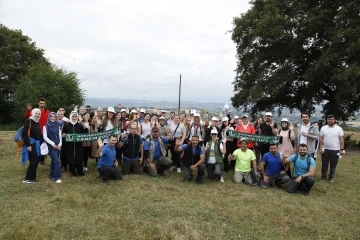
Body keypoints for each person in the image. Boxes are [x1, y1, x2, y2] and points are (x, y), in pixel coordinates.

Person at [318, 115, 344, 182]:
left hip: (335, 149)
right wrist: (320, 148)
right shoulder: (323, 128)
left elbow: (341, 139)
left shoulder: (339, 129)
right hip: (325, 149)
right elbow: (321, 139)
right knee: (324, 164)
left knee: (333, 164)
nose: (330, 120)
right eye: (328, 119)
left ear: (335, 120)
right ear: (327, 120)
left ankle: (331, 177)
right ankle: (323, 177)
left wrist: (341, 149)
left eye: (332, 119)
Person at [62, 111, 87, 177]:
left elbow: (83, 135)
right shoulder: (66, 125)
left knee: (79, 158)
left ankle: (80, 172)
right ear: (70, 117)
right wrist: (64, 135)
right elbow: (63, 134)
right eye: (73, 116)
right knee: (71, 159)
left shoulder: (79, 125)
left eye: (75, 116)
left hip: (78, 145)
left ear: (77, 117)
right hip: (69, 146)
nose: (74, 118)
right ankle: (73, 173)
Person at [22, 108, 42, 183]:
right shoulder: (28, 121)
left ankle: (32, 178)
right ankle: (28, 178)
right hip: (31, 143)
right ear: (32, 113)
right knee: (33, 161)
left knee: (36, 160)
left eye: (39, 114)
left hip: (36, 144)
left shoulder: (37, 122)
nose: (37, 115)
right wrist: (28, 145)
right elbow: (24, 133)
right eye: (36, 113)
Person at [43, 112, 62, 183]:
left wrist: (60, 144)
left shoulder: (58, 125)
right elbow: (45, 137)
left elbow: (59, 136)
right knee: (57, 161)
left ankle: (51, 175)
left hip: (57, 146)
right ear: (49, 117)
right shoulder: (45, 126)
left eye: (54, 116)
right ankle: (57, 177)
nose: (53, 118)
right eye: (51, 116)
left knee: (54, 161)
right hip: (50, 147)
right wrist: (52, 144)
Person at [38, 98, 50, 165]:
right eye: (41, 103)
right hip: (37, 131)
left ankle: (42, 160)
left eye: (43, 103)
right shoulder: (36, 111)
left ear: (45, 104)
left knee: (44, 145)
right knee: (38, 145)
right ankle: (38, 159)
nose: (42, 104)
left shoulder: (47, 112)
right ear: (38, 103)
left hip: (45, 132)